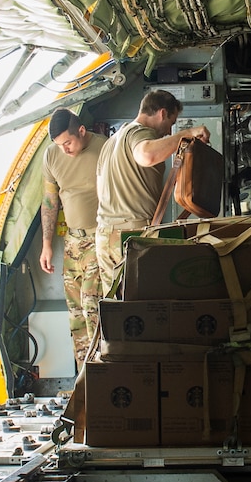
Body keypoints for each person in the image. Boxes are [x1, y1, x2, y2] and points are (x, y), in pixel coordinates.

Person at [95, 89, 209, 301]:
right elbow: (147, 155)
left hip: (105, 234)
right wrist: (186, 134)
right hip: (129, 234)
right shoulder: (140, 133)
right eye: (171, 123)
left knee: (116, 307)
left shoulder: (112, 141)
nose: (169, 131)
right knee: (140, 307)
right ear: (162, 113)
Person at [40, 108, 107, 359]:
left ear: (81, 131)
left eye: (67, 142)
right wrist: (47, 245)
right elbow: (50, 200)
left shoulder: (105, 149)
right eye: (59, 145)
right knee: (77, 314)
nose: (64, 150)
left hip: (99, 238)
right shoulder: (51, 156)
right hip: (72, 242)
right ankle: (85, 380)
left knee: (93, 306)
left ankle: (104, 369)